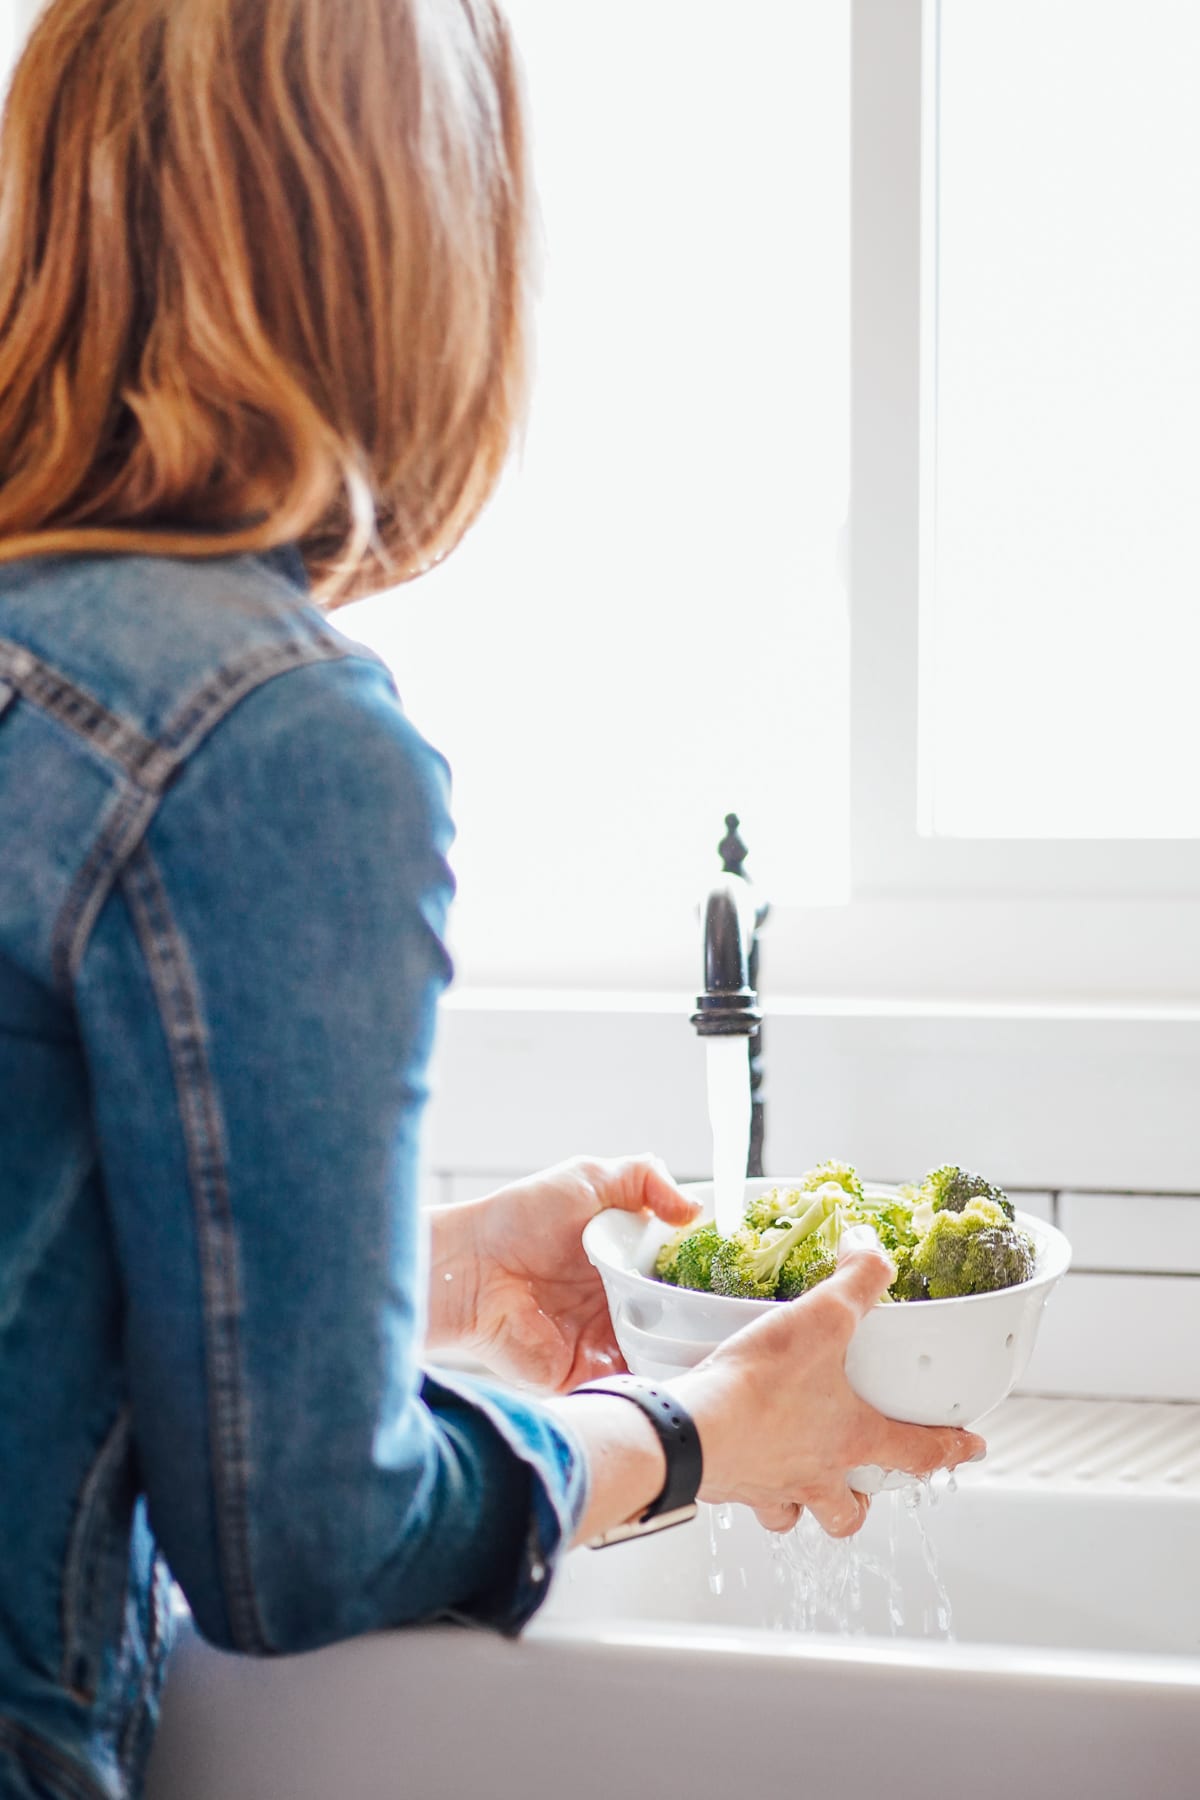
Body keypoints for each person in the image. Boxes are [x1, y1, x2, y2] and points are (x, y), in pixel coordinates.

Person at [0, 3, 983, 1797]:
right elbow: (301, 1547)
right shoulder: (262, 729)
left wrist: (432, 1275)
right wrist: (699, 1431)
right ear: (412, 249)